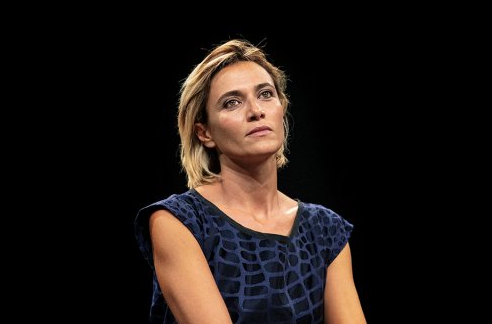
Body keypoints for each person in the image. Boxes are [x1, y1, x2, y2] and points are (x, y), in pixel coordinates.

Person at [134, 39, 366, 323]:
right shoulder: (179, 222)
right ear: (204, 133)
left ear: (282, 109)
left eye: (266, 94)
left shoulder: (326, 230)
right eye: (232, 102)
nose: (256, 111)